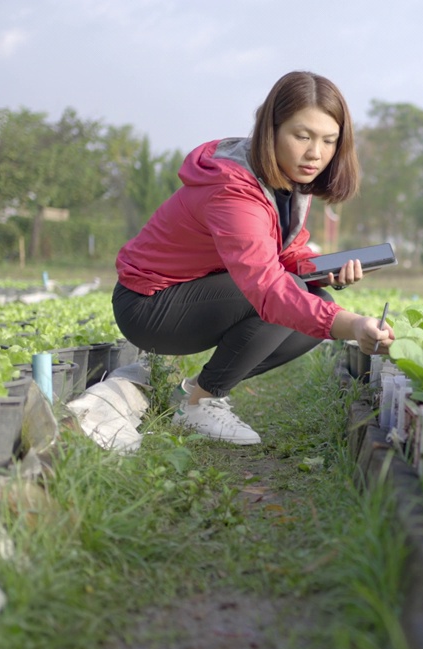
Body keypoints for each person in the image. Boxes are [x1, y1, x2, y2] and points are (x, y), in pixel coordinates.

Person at [113, 70, 393, 445]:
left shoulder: (283, 181)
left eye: (329, 141)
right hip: (150, 305)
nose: (316, 153)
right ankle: (200, 406)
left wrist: (324, 273)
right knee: (289, 296)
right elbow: (267, 286)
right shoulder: (232, 189)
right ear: (270, 129)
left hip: (195, 293)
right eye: (302, 136)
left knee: (314, 300)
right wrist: (354, 324)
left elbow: (283, 253)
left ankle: (196, 393)